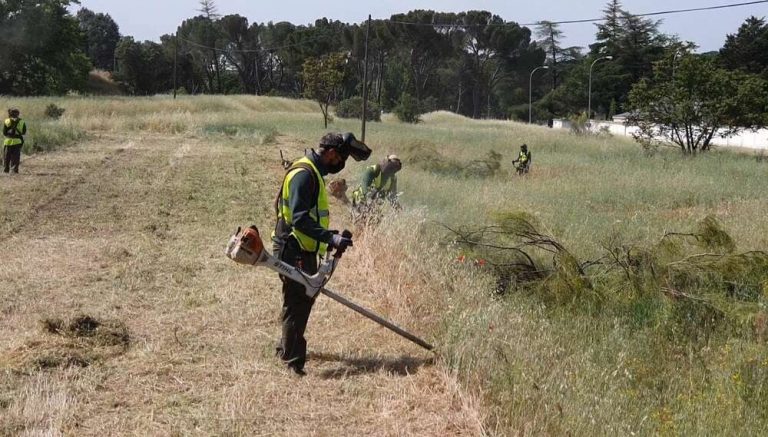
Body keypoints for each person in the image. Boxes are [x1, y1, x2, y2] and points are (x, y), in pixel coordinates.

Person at [271, 132, 371, 376]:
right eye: (338, 158)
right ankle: (293, 362)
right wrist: (330, 237)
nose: (337, 165)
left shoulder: (310, 172)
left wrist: (326, 237)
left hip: (301, 246)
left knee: (297, 299)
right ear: (329, 153)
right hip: (293, 246)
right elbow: (298, 218)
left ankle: (285, 349)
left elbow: (305, 215)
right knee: (300, 301)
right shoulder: (305, 175)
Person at [3, 108, 27, 174]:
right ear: (18, 114)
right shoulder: (22, 122)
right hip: (17, 142)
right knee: (16, 157)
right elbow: (24, 132)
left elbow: (4, 133)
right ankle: (14, 170)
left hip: (8, 141)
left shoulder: (6, 121)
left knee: (6, 156)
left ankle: (6, 169)